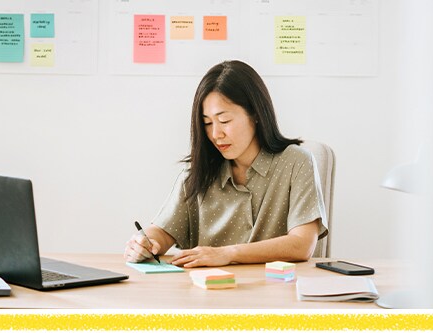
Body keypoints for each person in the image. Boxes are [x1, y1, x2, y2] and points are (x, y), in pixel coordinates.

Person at [124, 60, 328, 268]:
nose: (215, 134)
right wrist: (145, 244)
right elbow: (163, 231)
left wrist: (228, 253)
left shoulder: (296, 162)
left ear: (255, 113)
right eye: (207, 123)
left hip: (273, 292)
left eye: (224, 121)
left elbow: (302, 244)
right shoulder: (198, 172)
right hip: (207, 294)